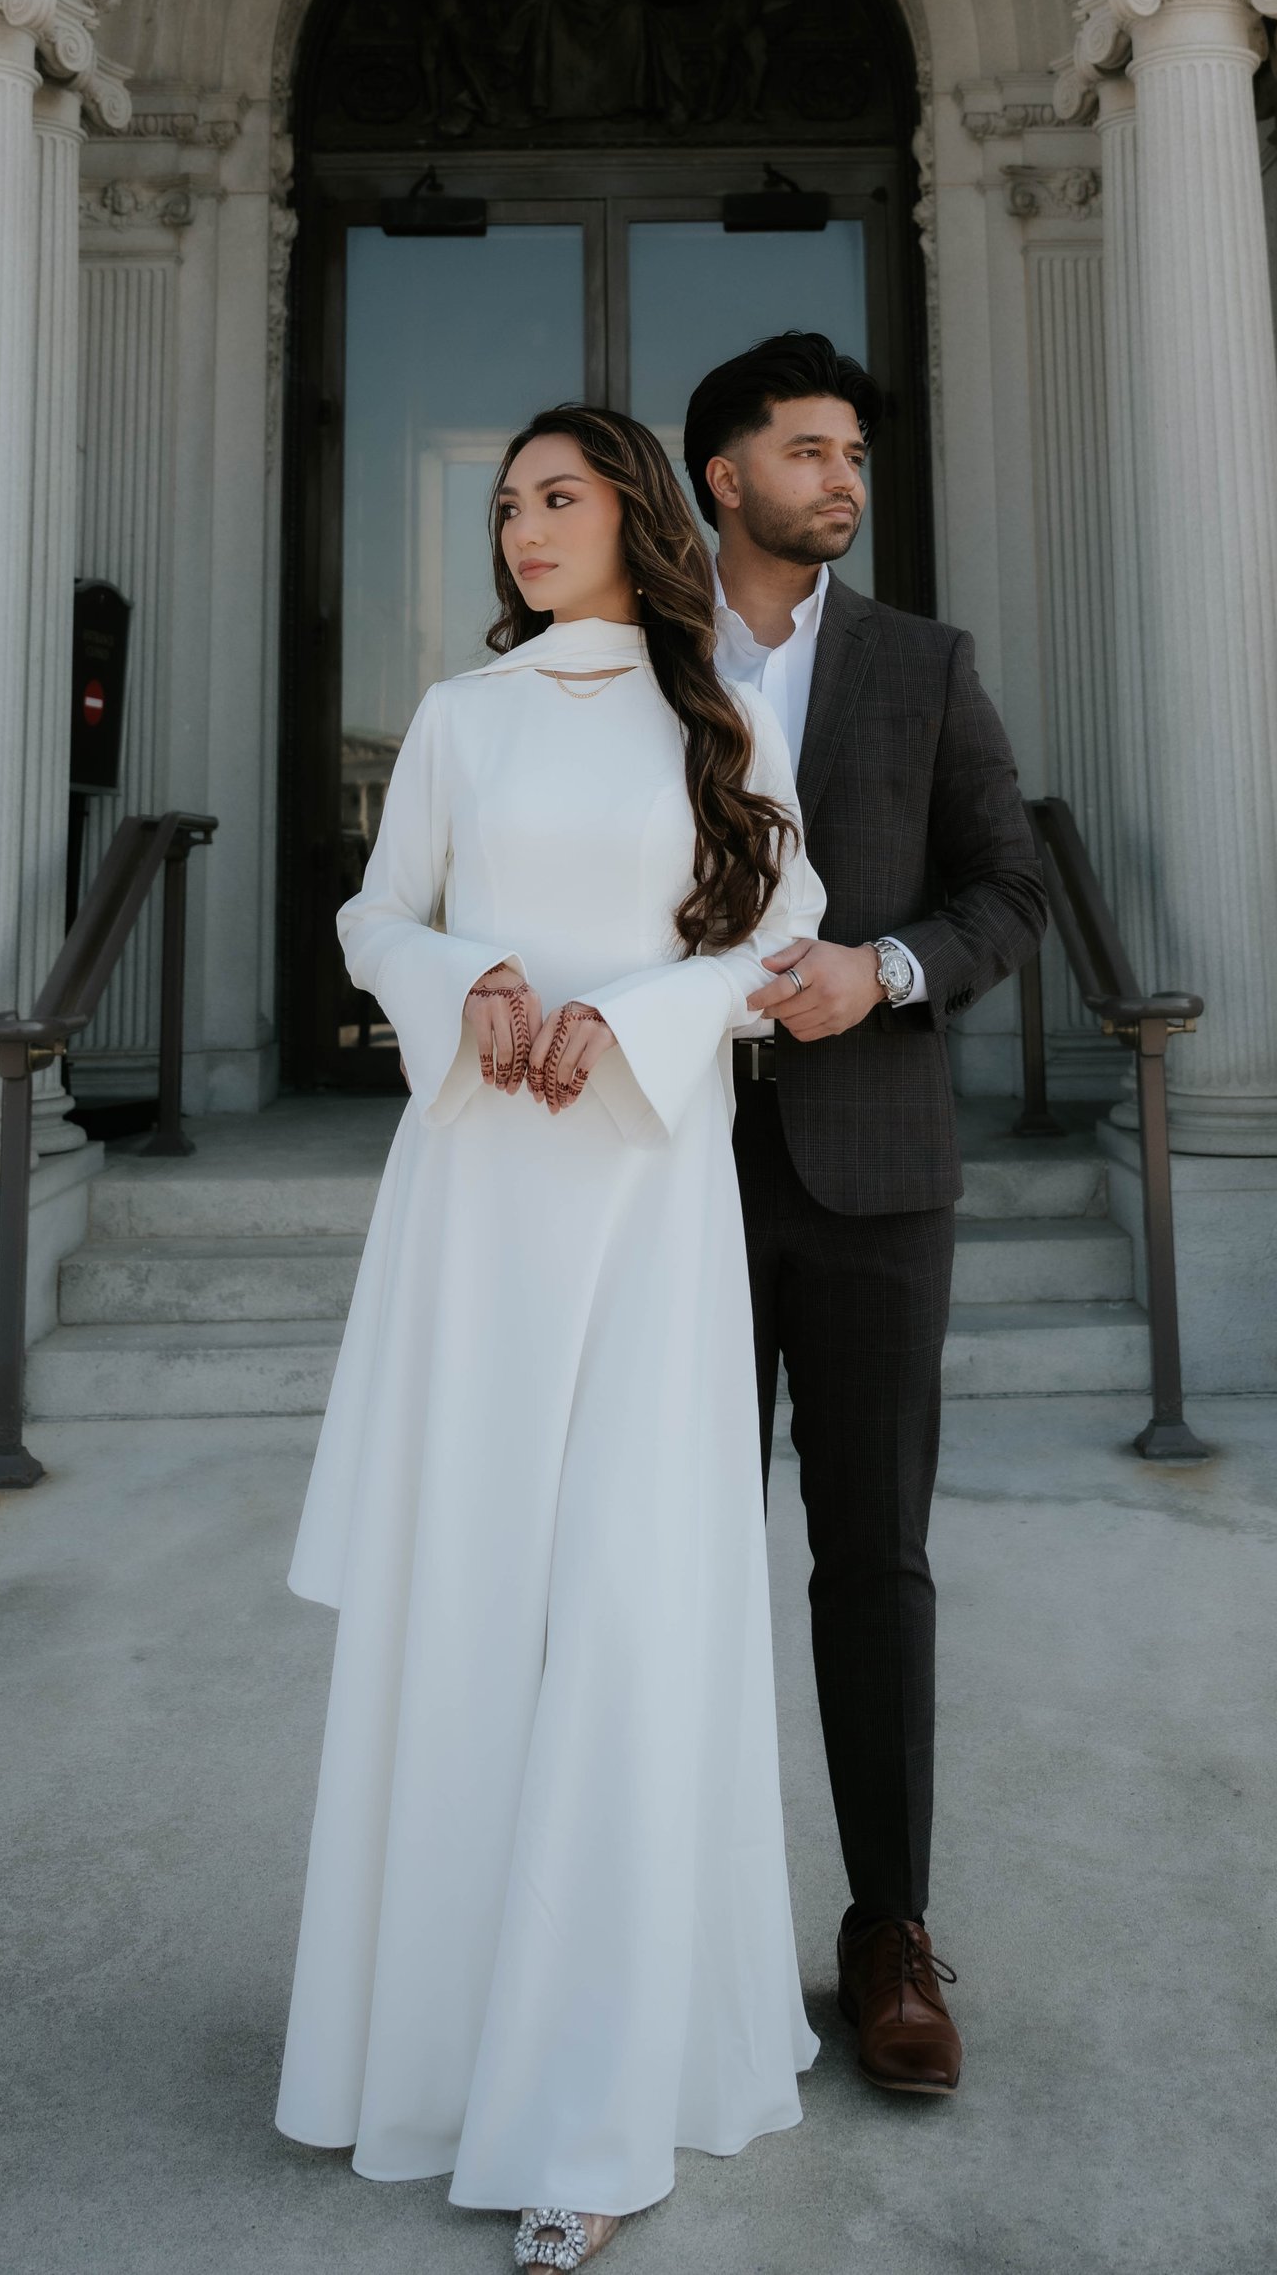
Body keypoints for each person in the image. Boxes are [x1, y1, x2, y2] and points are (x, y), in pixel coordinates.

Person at [277, 404, 826, 2269]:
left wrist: (638, 1017)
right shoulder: (457, 717)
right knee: (471, 1609)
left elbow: (782, 938)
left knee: (621, 1614)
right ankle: (427, 2064)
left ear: (635, 518)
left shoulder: (718, 720)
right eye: (507, 505)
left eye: (559, 498)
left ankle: (594, 2112)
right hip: (476, 1209)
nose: (524, 528)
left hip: (645, 1205)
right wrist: (470, 977)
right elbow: (371, 914)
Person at [683, 330, 1047, 2098]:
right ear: (724, 474)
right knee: (659, 1562)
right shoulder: (628, 663)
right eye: (810, 452)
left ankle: (889, 1929)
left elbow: (1013, 889)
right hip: (659, 1176)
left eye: (855, 455)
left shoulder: (922, 662)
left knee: (874, 1562)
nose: (843, 479)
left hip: (874, 1172)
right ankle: (669, 1924)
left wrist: (884, 970)